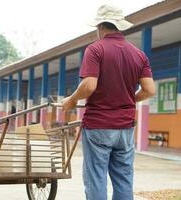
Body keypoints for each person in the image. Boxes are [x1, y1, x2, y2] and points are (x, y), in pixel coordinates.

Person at [61, 4, 155, 200]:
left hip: (98, 126)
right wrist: (129, 99)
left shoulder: (95, 50)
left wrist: (70, 100)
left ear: (100, 27)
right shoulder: (139, 55)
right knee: (123, 179)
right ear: (119, 26)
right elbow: (149, 90)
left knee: (96, 178)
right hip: (125, 128)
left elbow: (88, 86)